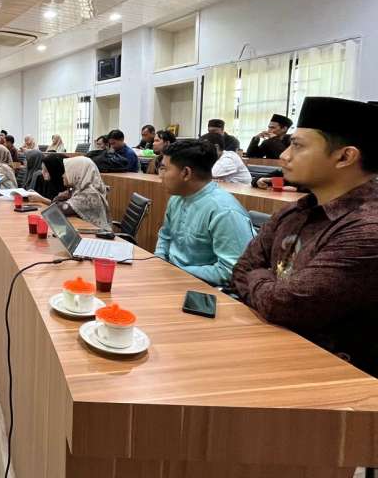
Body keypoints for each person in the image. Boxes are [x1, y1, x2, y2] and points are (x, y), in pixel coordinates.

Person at [232, 97, 378, 376]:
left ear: (345, 157)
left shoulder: (367, 228)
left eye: (298, 146)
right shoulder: (295, 211)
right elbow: (241, 268)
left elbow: (284, 304)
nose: (285, 156)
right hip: (270, 349)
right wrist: (269, 286)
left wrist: (261, 281)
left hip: (332, 376)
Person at [155, 140, 254, 287]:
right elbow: (165, 236)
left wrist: (176, 271)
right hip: (173, 278)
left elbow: (231, 270)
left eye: (164, 169)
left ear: (186, 173)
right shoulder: (177, 198)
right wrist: (159, 262)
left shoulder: (225, 212)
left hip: (205, 288)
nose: (160, 176)